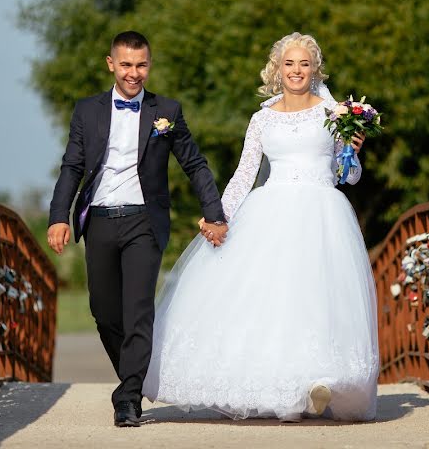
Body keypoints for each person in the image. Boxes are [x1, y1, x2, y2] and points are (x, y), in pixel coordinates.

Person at [143, 32, 379, 422]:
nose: (296, 70)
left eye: (304, 64)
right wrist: (220, 217)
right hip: (269, 212)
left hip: (322, 213)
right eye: (289, 64)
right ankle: (284, 385)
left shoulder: (334, 114)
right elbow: (243, 175)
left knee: (317, 298)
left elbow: (346, 176)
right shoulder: (262, 118)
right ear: (277, 70)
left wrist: (352, 151)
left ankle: (318, 381)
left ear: (315, 69)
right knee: (273, 301)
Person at [47, 31, 229, 427]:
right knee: (104, 311)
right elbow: (72, 168)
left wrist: (214, 213)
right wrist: (59, 215)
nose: (134, 73)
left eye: (141, 65)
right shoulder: (87, 111)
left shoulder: (168, 111)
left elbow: (194, 165)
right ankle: (133, 376)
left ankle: (128, 397)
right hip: (99, 219)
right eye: (126, 64)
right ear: (111, 64)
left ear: (149, 65)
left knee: (138, 311)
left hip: (144, 222)